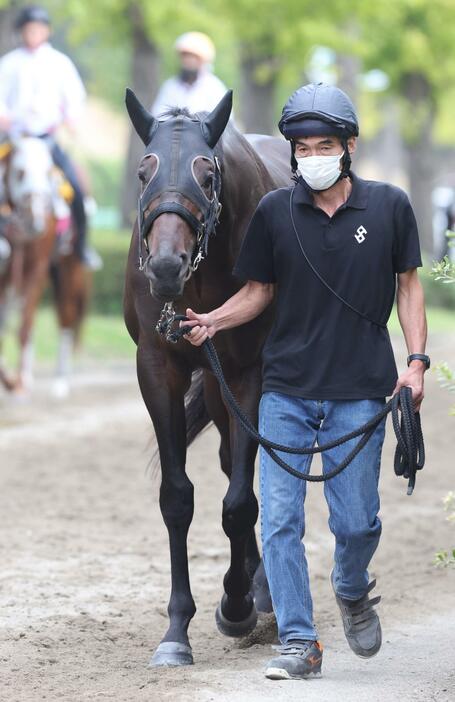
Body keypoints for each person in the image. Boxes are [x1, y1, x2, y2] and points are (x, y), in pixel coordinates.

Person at [182, 82, 429, 680]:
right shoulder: (273, 213)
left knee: (355, 522)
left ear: (347, 147)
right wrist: (213, 320)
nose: (311, 155)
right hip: (286, 391)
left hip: (362, 392)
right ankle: (299, 642)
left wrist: (416, 361)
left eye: (323, 144)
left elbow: (409, 287)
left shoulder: (391, 205)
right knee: (282, 521)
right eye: (301, 147)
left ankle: (350, 587)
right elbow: (259, 291)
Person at [0, 5, 101, 269]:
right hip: (15, 142)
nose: (33, 33)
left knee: (77, 190)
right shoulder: (9, 63)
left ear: (47, 31)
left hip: (47, 142)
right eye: (29, 29)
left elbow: (74, 98)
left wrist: (71, 117)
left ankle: (81, 246)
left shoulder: (60, 63)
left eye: (38, 28)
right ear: (22, 31)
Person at [151, 32, 229, 117]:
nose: (187, 61)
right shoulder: (170, 87)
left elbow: (223, 120)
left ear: (202, 60)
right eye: (184, 56)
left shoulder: (215, 88)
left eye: (192, 57)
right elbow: (158, 115)